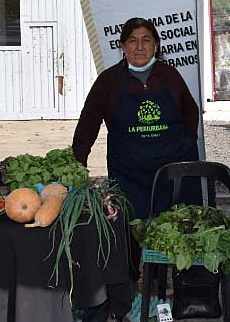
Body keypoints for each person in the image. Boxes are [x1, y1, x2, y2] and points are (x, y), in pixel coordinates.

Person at [72, 17, 201, 321]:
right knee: (128, 233)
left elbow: (190, 111)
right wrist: (77, 161)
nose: (140, 46)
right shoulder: (108, 81)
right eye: (132, 40)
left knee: (178, 229)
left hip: (169, 172)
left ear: (156, 44)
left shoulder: (169, 76)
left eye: (146, 40)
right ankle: (129, 292)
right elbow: (89, 120)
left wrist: (184, 143)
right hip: (129, 174)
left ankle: (179, 286)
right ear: (122, 46)